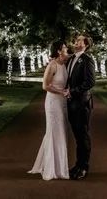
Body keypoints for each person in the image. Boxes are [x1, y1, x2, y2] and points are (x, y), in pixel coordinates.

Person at [28, 40, 71, 180]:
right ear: (59, 50)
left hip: (62, 101)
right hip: (53, 103)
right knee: (54, 132)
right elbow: (45, 86)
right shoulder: (52, 65)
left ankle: (59, 166)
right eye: (64, 47)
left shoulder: (64, 64)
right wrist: (61, 92)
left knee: (61, 132)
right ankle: (52, 168)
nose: (67, 49)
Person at [65, 34, 95, 180]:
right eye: (75, 40)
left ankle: (84, 167)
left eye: (79, 40)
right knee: (77, 136)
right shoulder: (71, 59)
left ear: (85, 45)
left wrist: (73, 91)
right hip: (71, 104)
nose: (76, 42)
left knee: (83, 135)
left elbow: (90, 82)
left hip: (82, 103)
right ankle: (78, 165)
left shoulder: (87, 60)